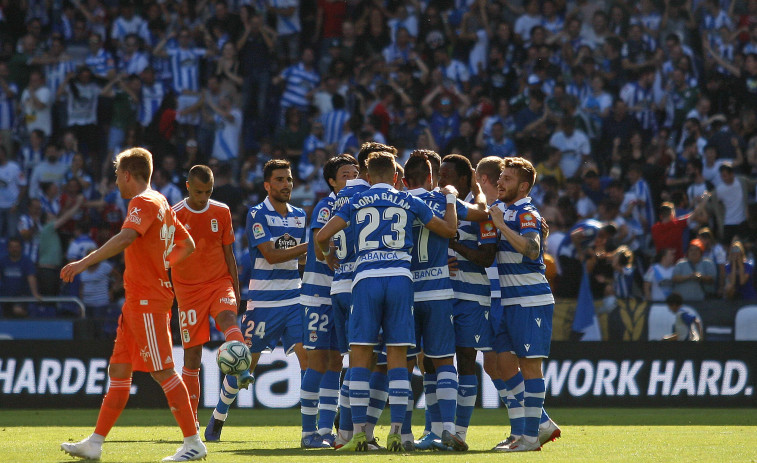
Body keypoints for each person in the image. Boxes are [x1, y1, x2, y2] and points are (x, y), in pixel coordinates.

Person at [59, 147, 206, 461]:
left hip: (147, 300)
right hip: (136, 300)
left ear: (127, 174)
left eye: (117, 176)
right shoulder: (162, 202)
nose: (116, 183)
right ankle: (95, 442)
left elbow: (126, 238)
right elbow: (187, 244)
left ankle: (193, 443)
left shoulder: (144, 201)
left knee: (163, 371)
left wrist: (83, 263)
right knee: (119, 370)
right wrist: (164, 265)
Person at [316, 151, 458, 452]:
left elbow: (322, 236)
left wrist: (330, 257)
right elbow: (448, 230)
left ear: (367, 176)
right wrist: (449, 200)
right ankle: (397, 432)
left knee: (360, 356)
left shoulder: (355, 201)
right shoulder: (408, 200)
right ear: (396, 177)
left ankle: (357, 434)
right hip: (400, 279)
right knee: (397, 357)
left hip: (365, 280)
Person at [205, 159, 309, 441]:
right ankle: (218, 417)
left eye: (288, 179)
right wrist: (313, 245)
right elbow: (271, 255)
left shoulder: (299, 215)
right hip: (263, 303)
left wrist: (313, 258)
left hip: (294, 299)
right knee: (243, 368)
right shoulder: (257, 214)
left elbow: (297, 258)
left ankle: (320, 426)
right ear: (267, 185)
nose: (286, 184)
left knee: (310, 361)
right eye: (280, 180)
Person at [489, 156, 557, 452]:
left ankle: (530, 437)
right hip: (510, 301)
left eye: (507, 179)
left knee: (530, 368)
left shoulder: (526, 213)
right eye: (500, 177)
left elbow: (532, 249)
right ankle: (541, 422)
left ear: (524, 186)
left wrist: (501, 226)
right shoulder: (507, 210)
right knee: (503, 362)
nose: (500, 182)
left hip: (531, 300)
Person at [171, 165, 246, 430]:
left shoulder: (221, 211)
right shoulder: (174, 215)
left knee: (227, 318)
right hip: (188, 292)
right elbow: (166, 258)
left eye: (208, 191)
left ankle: (242, 369)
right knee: (192, 358)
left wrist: (235, 289)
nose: (203, 197)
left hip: (218, 282)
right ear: (188, 186)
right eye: (199, 191)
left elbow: (229, 253)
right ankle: (190, 424)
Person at [298, 154, 358, 448]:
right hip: (319, 292)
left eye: (356, 172)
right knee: (318, 362)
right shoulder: (326, 207)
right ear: (333, 182)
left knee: (336, 361)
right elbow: (319, 244)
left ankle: (325, 430)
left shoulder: (356, 205)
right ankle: (308, 432)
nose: (353, 177)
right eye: (346, 174)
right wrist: (330, 258)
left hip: (340, 292)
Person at [440, 154, 493, 448]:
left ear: (464, 180)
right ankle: (436, 431)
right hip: (442, 293)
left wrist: (454, 244)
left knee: (466, 361)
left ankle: (459, 433)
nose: (440, 181)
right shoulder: (440, 205)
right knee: (435, 361)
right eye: (438, 175)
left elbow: (487, 256)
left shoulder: (480, 215)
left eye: (446, 175)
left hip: (472, 295)